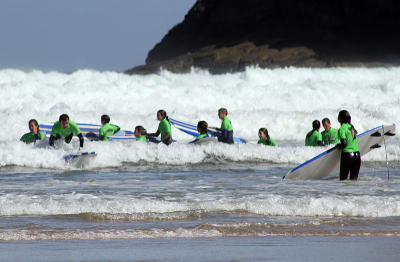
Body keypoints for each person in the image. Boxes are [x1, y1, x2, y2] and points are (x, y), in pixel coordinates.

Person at [336, 110, 361, 180]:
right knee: (354, 180)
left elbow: (344, 144)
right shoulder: (352, 128)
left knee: (343, 180)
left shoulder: (342, 129)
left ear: (339, 118)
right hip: (357, 155)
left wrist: (338, 146)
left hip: (347, 156)